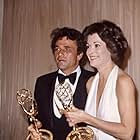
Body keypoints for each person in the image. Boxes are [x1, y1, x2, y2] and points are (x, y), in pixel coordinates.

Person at [63, 20, 136, 140]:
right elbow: (95, 130)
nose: (90, 51)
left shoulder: (123, 81)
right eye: (88, 46)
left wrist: (87, 118)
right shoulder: (91, 83)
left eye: (97, 45)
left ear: (111, 48)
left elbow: (128, 133)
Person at [28, 27, 96, 140]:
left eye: (67, 49)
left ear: (79, 55)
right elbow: (35, 117)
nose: (60, 53)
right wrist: (35, 126)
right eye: (57, 49)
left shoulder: (94, 80)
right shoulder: (42, 82)